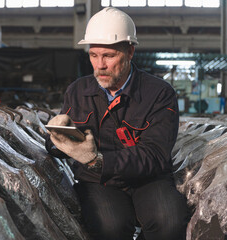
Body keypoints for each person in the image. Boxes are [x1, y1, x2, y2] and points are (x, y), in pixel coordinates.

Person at [45, 7, 190, 240]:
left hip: (148, 179)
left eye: (109, 56)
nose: (100, 65)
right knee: (110, 227)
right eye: (93, 55)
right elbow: (55, 148)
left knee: (169, 223)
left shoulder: (159, 93)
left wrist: (98, 160)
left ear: (130, 52)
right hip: (99, 182)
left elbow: (155, 154)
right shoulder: (78, 91)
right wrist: (57, 139)